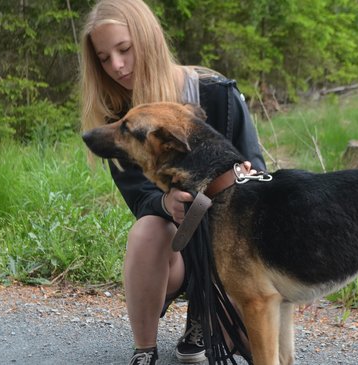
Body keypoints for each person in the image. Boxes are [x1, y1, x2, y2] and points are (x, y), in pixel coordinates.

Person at [79, 1, 266, 364]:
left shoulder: (216, 92)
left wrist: (242, 177)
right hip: (173, 250)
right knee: (148, 230)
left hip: (232, 249)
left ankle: (204, 314)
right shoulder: (119, 120)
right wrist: (167, 204)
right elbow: (139, 197)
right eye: (103, 58)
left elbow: (256, 168)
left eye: (124, 49)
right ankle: (144, 349)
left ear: (147, 39)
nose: (116, 66)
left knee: (243, 339)